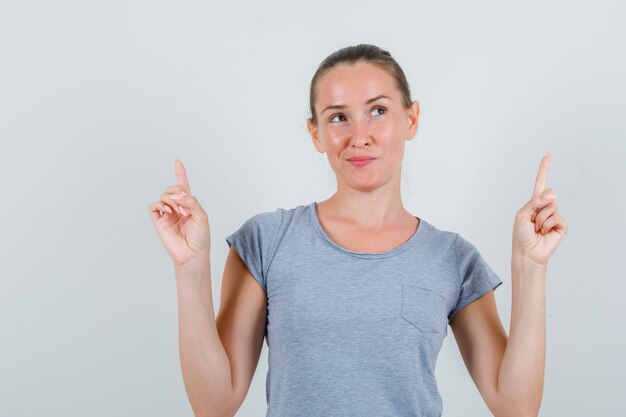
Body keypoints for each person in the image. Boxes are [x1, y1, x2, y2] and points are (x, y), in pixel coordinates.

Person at [148, 44, 568, 417]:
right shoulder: (266, 241)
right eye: (338, 117)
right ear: (316, 133)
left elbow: (515, 407)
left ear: (412, 118)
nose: (359, 136)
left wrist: (530, 267)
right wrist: (190, 267)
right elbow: (214, 405)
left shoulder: (452, 259)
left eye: (378, 110)